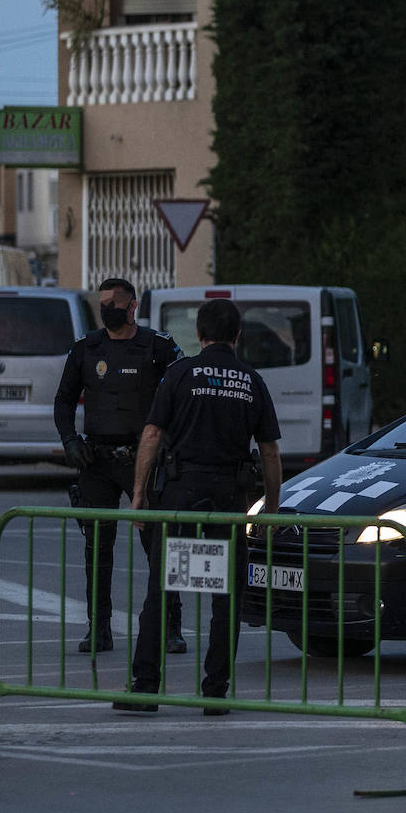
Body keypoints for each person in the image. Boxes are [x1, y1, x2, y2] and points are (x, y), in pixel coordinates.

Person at [113, 298, 282, 715]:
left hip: (181, 497)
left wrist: (138, 492)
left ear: (200, 335)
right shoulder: (251, 380)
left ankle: (146, 685)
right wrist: (271, 508)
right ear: (237, 335)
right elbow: (271, 452)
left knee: (161, 589)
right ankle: (215, 690)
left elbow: (152, 434)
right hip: (229, 498)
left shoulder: (180, 373)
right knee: (226, 595)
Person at [53, 277, 184, 654]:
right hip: (96, 460)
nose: (106, 308)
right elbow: (63, 401)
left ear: (132, 307)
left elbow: (182, 392)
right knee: (97, 546)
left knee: (157, 544)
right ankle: (100, 629)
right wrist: (69, 441)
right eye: (102, 302)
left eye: (114, 302)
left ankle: (171, 626)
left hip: (142, 459)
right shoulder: (85, 349)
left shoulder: (157, 347)